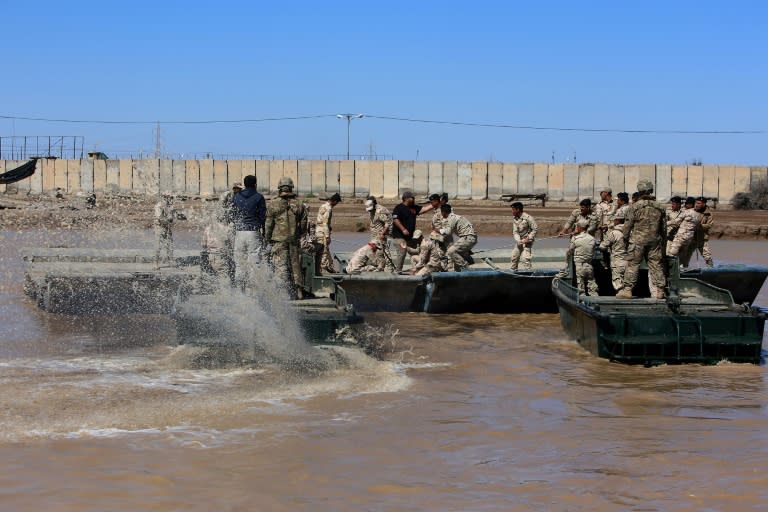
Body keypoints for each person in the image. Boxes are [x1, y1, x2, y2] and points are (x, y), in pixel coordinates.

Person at [617, 179, 666, 299]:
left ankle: (628, 290)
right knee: (656, 265)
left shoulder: (634, 207)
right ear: (651, 190)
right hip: (654, 240)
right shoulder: (660, 207)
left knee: (633, 265)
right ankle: (660, 290)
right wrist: (662, 241)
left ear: (639, 191)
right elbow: (664, 228)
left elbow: (627, 227)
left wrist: (625, 240)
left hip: (637, 241)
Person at [265, 176, 309, 299]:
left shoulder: (273, 204)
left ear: (279, 188)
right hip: (293, 240)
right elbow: (304, 223)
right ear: (291, 187)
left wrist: (267, 239)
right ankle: (298, 291)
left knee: (281, 266)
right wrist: (300, 233)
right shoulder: (299, 204)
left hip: (279, 240)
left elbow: (268, 224)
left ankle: (284, 293)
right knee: (295, 266)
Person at [231, 175, 266, 292]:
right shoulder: (259, 197)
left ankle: (240, 292)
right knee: (254, 263)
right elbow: (262, 216)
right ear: (255, 184)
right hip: (253, 232)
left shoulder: (236, 197)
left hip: (239, 232)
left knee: (240, 263)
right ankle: (253, 292)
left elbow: (232, 214)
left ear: (244, 185)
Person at [391, 191, 435, 271]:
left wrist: (434, 204)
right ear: (406, 198)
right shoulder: (399, 208)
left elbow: (424, 209)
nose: (414, 199)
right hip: (399, 236)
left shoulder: (414, 208)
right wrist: (403, 229)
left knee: (418, 252)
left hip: (410, 237)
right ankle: (398, 271)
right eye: (412, 197)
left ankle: (418, 268)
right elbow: (395, 219)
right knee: (402, 252)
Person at [439, 204, 477, 271]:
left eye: (441, 212)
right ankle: (458, 272)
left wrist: (438, 230)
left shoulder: (451, 218)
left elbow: (448, 232)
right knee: (456, 257)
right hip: (469, 238)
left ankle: (466, 267)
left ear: (443, 212)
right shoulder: (454, 216)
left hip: (467, 237)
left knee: (450, 251)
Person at [218, 182, 242, 284]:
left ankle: (232, 277)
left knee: (232, 254)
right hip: (229, 228)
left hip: (231, 228)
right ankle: (231, 277)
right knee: (229, 254)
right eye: (237, 188)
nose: (238, 190)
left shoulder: (238, 197)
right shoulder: (229, 196)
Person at [667, 197, 701, 266]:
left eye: (687, 204)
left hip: (680, 237)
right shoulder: (697, 214)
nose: (685, 205)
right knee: (679, 255)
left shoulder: (686, 212)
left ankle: (676, 269)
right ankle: (678, 268)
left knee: (673, 253)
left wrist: (665, 224)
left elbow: (676, 221)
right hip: (680, 238)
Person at [598, 211, 628, 292]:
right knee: (627, 284)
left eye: (614, 220)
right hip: (628, 261)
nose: (613, 222)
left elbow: (603, 246)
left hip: (617, 261)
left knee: (618, 285)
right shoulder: (630, 232)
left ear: (617, 221)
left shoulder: (614, 233)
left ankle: (622, 301)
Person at [568, 219, 598, 296]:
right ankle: (595, 301)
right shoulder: (592, 238)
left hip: (579, 266)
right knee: (592, 286)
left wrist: (573, 236)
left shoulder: (575, 238)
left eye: (577, 226)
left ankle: (582, 303)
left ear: (580, 227)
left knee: (581, 288)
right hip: (589, 265)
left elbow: (570, 251)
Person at [365, 196, 393, 271]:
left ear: (374, 204)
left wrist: (382, 234)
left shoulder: (380, 211)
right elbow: (374, 221)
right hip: (375, 233)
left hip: (382, 233)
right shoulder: (371, 209)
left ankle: (390, 267)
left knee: (384, 250)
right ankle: (380, 266)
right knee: (375, 249)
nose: (369, 211)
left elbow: (387, 223)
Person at [316, 193, 341, 273]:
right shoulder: (328, 209)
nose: (336, 205)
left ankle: (327, 266)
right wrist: (327, 236)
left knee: (321, 250)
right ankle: (322, 270)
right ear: (334, 201)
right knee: (324, 251)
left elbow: (321, 221)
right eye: (337, 203)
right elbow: (325, 223)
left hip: (318, 231)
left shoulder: (323, 206)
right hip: (323, 232)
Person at [509, 202, 538, 271]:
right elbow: (515, 232)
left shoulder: (528, 218)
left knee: (525, 259)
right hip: (520, 241)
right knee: (514, 257)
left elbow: (535, 229)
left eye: (513, 210)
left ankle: (528, 273)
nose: (512, 211)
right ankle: (513, 272)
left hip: (527, 242)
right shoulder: (515, 219)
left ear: (518, 210)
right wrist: (518, 240)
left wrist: (529, 238)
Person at [689, 196, 714, 267]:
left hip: (702, 238)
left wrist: (700, 226)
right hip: (691, 237)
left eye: (699, 203)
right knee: (686, 255)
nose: (696, 204)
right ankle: (683, 269)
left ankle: (710, 270)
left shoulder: (708, 213)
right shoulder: (691, 211)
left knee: (707, 256)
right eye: (696, 203)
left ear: (704, 204)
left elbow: (710, 225)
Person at [153, 192, 176, 268]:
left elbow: (174, 217)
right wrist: (169, 219)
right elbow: (160, 218)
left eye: (172, 198)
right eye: (170, 198)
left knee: (170, 244)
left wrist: (174, 218)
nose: (171, 199)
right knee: (158, 246)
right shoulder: (159, 206)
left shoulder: (170, 206)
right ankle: (155, 263)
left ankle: (171, 261)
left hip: (167, 227)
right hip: (159, 227)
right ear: (164, 198)